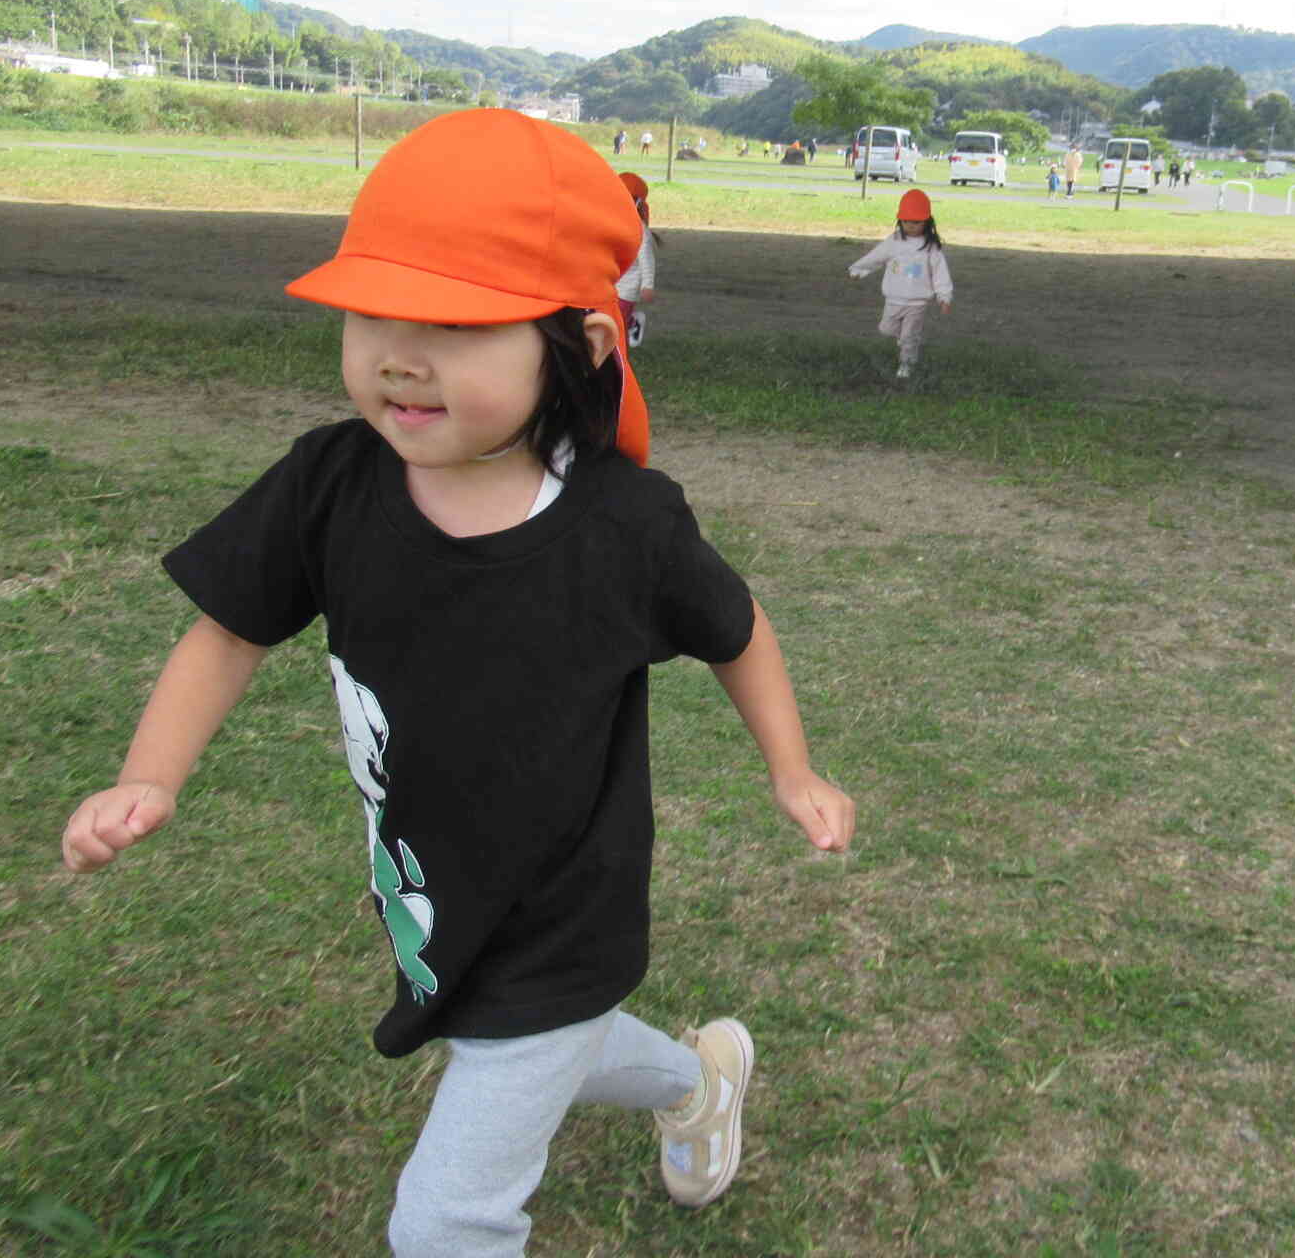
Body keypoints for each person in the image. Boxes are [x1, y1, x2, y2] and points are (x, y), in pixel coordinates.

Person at [57, 110, 856, 1257]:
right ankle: (697, 1079)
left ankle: (666, 1086)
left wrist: (793, 769)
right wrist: (148, 776)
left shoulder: (623, 526)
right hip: (431, 884)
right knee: (539, 1043)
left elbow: (735, 629)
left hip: (562, 911)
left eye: (456, 324)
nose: (398, 353)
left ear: (576, 346)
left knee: (446, 1221)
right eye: (372, 310)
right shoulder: (329, 484)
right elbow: (228, 631)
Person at [847, 187, 953, 380]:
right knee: (885, 329)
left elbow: (940, 274)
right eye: (906, 221)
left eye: (916, 222)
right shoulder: (893, 241)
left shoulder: (930, 248)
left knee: (908, 337)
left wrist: (944, 296)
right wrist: (858, 270)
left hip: (917, 303)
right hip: (893, 300)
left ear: (927, 221)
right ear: (899, 220)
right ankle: (908, 340)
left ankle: (906, 365)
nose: (910, 225)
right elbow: (876, 258)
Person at [615, 170, 658, 346]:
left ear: (638, 203)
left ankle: (618, 348)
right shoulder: (607, 221)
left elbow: (647, 260)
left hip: (628, 286)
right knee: (607, 314)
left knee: (618, 321)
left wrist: (647, 285)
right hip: (608, 282)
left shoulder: (640, 231)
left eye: (629, 199)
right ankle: (633, 322)